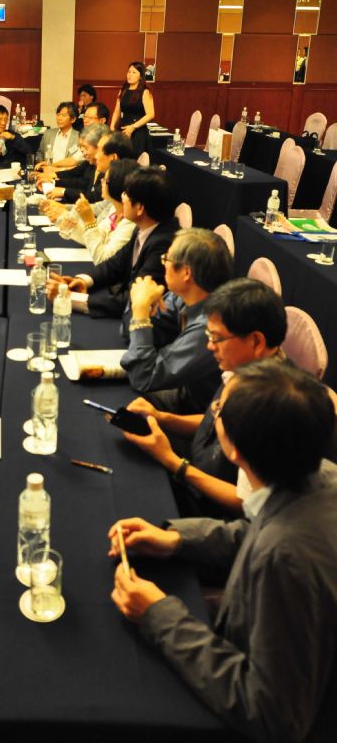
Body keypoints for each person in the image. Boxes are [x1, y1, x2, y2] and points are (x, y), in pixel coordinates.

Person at [109, 360, 337, 743]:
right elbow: (256, 530)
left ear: (234, 449)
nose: (213, 409)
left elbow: (271, 714)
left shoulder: (284, 559)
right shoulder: (323, 474)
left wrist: (158, 615)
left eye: (218, 409)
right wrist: (178, 538)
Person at [124, 277, 288, 516]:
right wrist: (162, 418)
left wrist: (172, 462)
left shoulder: (273, 406)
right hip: (196, 471)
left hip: (212, 511)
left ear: (255, 341)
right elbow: (214, 425)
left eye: (217, 338)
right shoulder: (242, 369)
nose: (210, 346)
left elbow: (247, 504)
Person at [120, 227, 233, 414]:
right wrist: (141, 306)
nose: (163, 263)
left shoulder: (209, 327)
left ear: (186, 273)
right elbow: (128, 333)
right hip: (184, 391)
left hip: (205, 414)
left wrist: (140, 309)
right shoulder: (183, 296)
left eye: (167, 259)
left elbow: (143, 378)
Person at [52, 167, 179, 319]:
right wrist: (82, 281)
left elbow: (136, 299)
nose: (122, 197)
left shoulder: (164, 244)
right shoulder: (146, 227)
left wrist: (70, 298)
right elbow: (115, 264)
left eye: (126, 194)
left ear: (140, 208)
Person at [58, 159, 138, 264]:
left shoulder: (130, 223)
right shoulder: (114, 210)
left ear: (117, 185)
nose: (102, 182)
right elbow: (98, 237)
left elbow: (103, 260)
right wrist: (73, 227)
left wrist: (89, 221)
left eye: (105, 180)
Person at [110, 61, 154, 158]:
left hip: (138, 130)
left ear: (141, 76)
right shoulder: (123, 90)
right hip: (123, 128)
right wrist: (112, 126)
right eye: (129, 72)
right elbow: (117, 111)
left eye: (134, 72)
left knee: (135, 159)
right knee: (120, 157)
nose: (130, 75)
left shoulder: (145, 92)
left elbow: (150, 114)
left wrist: (133, 127)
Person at [35, 102, 81, 170]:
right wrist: (42, 165)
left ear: (73, 119)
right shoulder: (48, 134)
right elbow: (39, 153)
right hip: (47, 171)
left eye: (63, 115)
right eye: (58, 115)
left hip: (66, 173)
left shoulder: (79, 137)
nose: (59, 118)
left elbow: (78, 163)